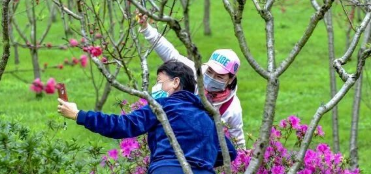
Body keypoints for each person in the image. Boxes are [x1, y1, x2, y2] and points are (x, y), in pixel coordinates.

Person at [57, 60, 237, 174]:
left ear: (175, 82)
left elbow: (123, 125)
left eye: (160, 82)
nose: (157, 87)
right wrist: (200, 161)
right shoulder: (206, 115)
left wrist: (79, 115)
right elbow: (229, 152)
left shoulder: (163, 107)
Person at [137, 13, 246, 148]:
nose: (211, 78)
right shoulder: (193, 72)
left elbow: (238, 141)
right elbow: (170, 54)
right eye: (210, 71)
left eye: (219, 76)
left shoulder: (232, 108)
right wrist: (147, 28)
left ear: (230, 80)